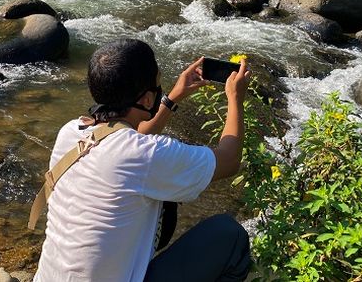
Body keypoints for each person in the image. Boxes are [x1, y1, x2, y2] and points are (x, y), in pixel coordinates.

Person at [32, 38, 252, 282]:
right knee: (229, 235)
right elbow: (230, 160)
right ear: (147, 99)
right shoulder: (146, 154)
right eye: (158, 83)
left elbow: (123, 140)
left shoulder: (71, 132)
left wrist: (172, 98)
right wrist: (235, 98)